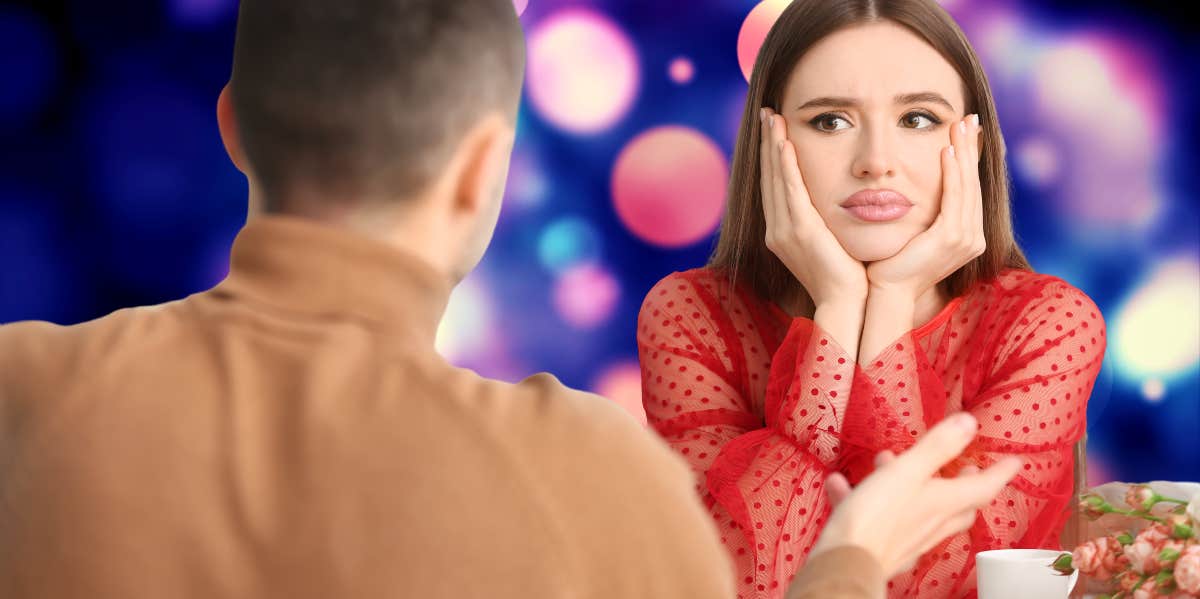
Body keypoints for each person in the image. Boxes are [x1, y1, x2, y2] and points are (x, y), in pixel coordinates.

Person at [0, 1, 1019, 598]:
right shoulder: (589, 476)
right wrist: (849, 561)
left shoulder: (22, 390)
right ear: (483, 163)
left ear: (233, 128)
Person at [636, 0, 1107, 597]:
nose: (876, 163)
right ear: (770, 143)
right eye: (831, 121)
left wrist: (889, 300)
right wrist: (837, 311)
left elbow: (930, 583)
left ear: (976, 146)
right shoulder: (691, 317)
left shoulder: (1048, 325)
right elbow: (741, 581)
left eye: (917, 119)